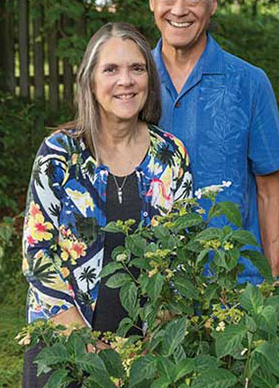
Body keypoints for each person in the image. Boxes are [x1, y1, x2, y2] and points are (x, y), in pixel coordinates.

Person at [21, 22, 193, 387]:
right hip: (63, 346)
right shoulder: (59, 155)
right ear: (90, 80)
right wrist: (89, 348)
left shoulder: (171, 156)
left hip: (143, 354)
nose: (125, 81)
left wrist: (156, 343)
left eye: (137, 68)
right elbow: (37, 256)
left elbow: (180, 258)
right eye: (111, 69)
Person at [148, 0, 279, 284]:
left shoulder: (250, 83)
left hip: (236, 286)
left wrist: (272, 284)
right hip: (153, 291)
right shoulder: (131, 85)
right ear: (152, 1)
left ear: (213, 3)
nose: (179, 10)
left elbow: (269, 192)